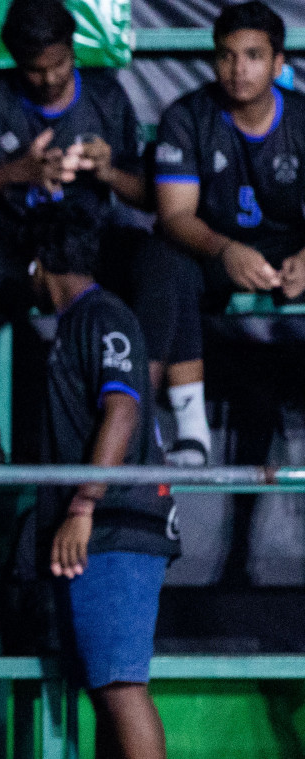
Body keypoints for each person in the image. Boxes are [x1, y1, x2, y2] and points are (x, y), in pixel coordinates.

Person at [0, 0, 146, 462]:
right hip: (13, 244)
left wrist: (109, 173)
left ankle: (143, 427)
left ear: (72, 49)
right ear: (17, 61)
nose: (51, 78)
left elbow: (149, 196)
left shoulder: (106, 98)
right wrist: (14, 172)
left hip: (86, 243)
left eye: (60, 63)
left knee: (155, 261)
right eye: (36, 70)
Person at [31, 207, 184, 759]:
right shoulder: (79, 323)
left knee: (122, 684)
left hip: (117, 524)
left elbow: (123, 409)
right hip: (110, 526)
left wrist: (85, 504)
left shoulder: (102, 317)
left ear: (41, 263)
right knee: (106, 686)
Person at [142, 0, 303, 467]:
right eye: (227, 55)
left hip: (291, 245)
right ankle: (191, 430)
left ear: (278, 64)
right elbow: (174, 216)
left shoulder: (301, 118)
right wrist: (227, 251)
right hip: (212, 244)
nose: (238, 69)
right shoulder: (187, 116)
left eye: (253, 56)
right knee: (164, 262)